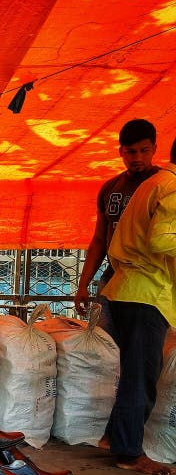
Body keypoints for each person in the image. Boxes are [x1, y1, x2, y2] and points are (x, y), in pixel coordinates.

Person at [100, 136, 176, 475]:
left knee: (132, 371)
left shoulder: (155, 182)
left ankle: (115, 438)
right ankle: (130, 453)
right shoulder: (171, 186)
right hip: (145, 292)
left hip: (128, 288)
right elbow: (162, 239)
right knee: (140, 376)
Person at [74, 119, 159, 338]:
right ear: (120, 151)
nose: (137, 158)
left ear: (154, 149)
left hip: (148, 282)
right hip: (112, 278)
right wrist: (83, 285)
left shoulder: (164, 185)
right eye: (131, 152)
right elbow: (99, 240)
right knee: (107, 344)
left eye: (144, 150)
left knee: (140, 349)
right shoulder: (110, 188)